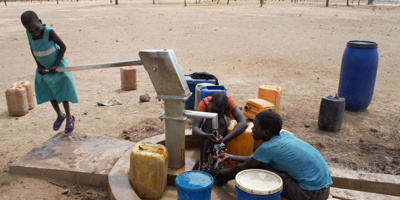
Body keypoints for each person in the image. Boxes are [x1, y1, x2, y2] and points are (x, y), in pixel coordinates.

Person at [216, 110, 332, 200]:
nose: (252, 130)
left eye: (255, 127)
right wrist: (230, 156)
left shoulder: (267, 148)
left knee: (259, 168)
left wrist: (218, 173)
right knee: (263, 164)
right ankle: (222, 178)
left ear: (266, 132)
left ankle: (221, 179)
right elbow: (256, 159)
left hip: (309, 194)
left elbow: (242, 167)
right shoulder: (285, 136)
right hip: (323, 188)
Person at [21, 10, 78, 134]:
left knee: (63, 89)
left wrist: (55, 65)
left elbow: (63, 46)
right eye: (30, 31)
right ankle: (59, 115)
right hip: (43, 67)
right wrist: (39, 65)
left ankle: (68, 116)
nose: (34, 32)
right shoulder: (29, 33)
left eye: (36, 28)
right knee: (49, 90)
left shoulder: (48, 32)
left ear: (40, 22)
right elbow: (32, 48)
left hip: (57, 65)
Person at [192, 92, 247, 169]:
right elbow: (195, 129)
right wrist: (206, 135)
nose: (215, 114)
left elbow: (243, 123)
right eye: (212, 110)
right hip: (208, 128)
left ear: (225, 107)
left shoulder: (228, 101)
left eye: (218, 112)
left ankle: (217, 160)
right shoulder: (204, 103)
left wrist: (223, 141)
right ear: (210, 103)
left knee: (220, 121)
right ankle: (203, 163)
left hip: (225, 126)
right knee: (209, 122)